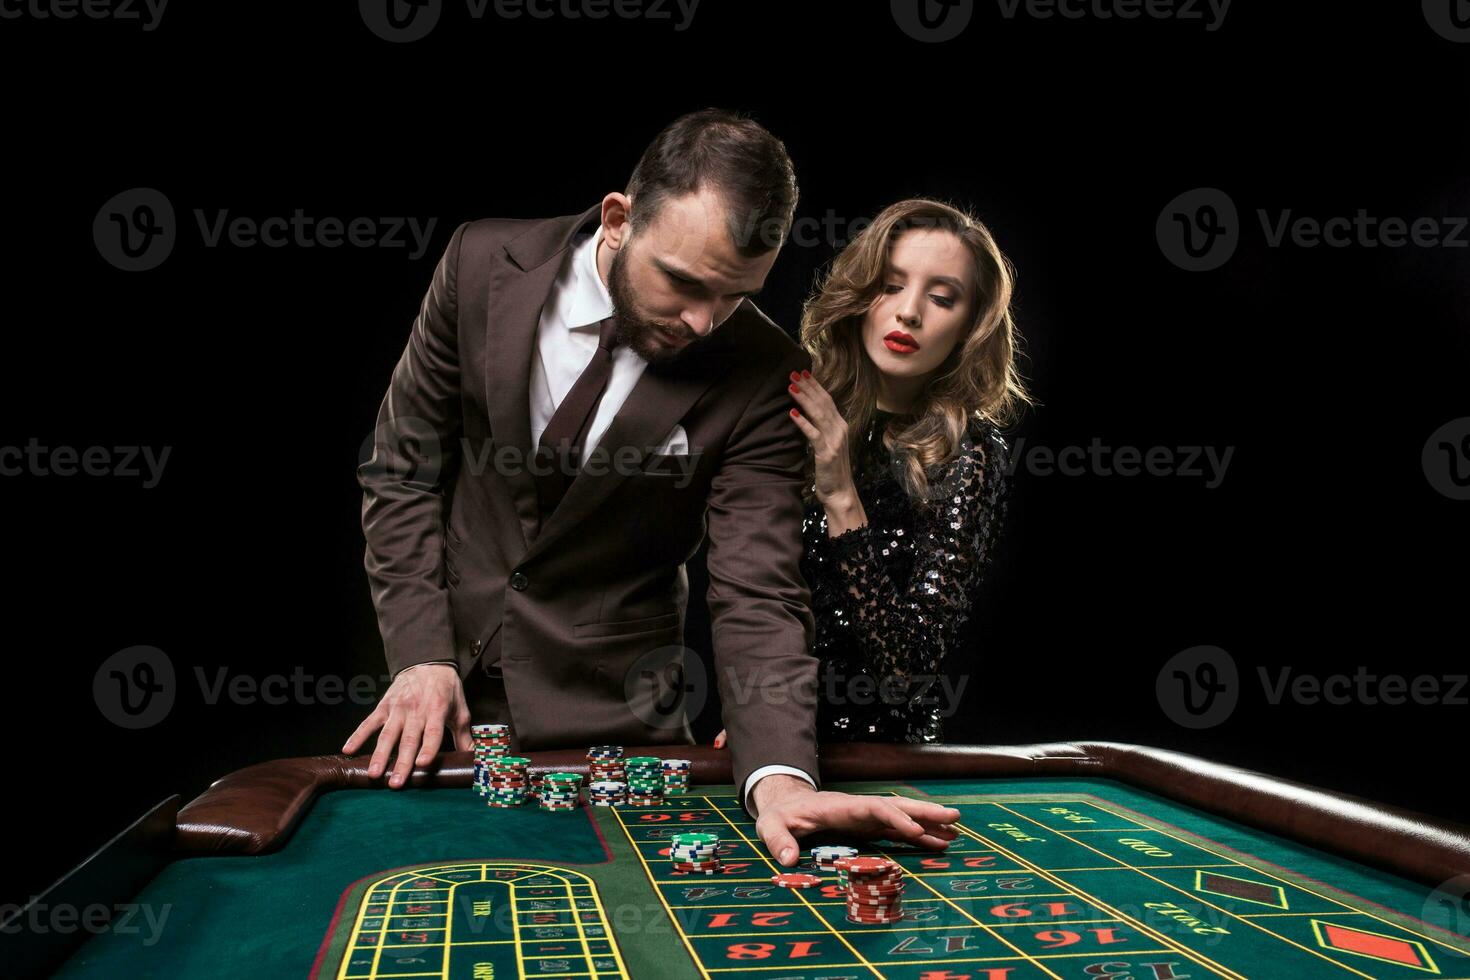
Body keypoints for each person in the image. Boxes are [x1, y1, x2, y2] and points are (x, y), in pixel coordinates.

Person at [345, 110, 960, 865]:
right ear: (618, 218)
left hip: (616, 720)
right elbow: (402, 469)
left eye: (733, 296)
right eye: (683, 283)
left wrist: (782, 779)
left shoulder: (764, 373)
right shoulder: (478, 263)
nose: (703, 321)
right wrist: (418, 657)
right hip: (442, 698)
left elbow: (757, 591)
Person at [716, 198, 1029, 749]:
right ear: (860, 296)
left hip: (886, 763)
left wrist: (840, 494)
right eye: (890, 286)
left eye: (941, 298)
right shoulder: (790, 409)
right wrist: (763, 727)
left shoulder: (970, 452)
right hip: (768, 744)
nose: (909, 312)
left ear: (970, 328)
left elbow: (906, 672)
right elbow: (747, 597)